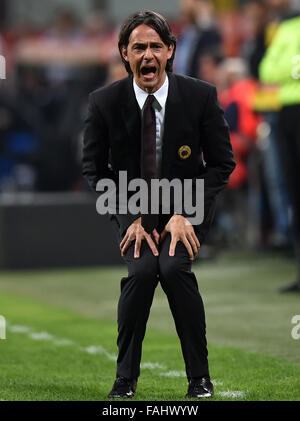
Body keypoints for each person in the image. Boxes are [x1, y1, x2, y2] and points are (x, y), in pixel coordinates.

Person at [82, 10, 235, 399]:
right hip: (134, 210)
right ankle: (125, 379)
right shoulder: (103, 102)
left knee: (172, 268)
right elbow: (94, 170)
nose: (147, 54)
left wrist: (186, 213)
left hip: (186, 209)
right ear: (124, 53)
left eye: (155, 46)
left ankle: (199, 378)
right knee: (142, 272)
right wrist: (128, 216)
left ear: (170, 51)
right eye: (138, 47)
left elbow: (221, 163)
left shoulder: (201, 96)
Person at [259, 13, 300, 292]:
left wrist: (285, 70)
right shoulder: (283, 26)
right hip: (285, 114)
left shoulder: (284, 30)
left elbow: (281, 69)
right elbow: (267, 70)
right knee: (294, 192)